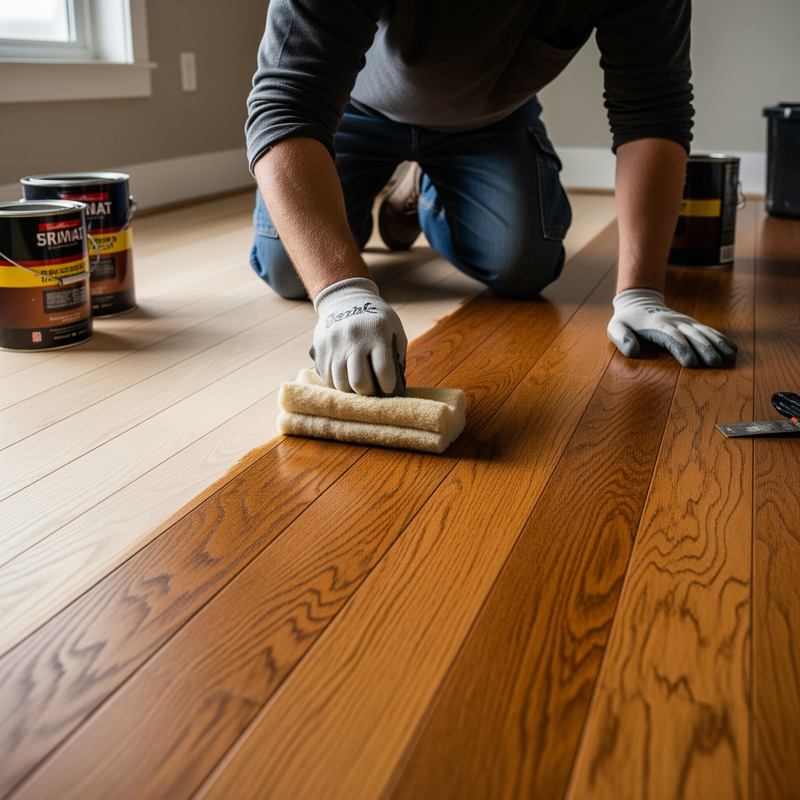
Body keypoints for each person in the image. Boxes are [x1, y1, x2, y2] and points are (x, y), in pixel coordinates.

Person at [246, 0, 737, 397]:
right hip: (351, 110)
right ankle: (401, 185)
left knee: (524, 266)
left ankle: (420, 190)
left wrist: (641, 293)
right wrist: (344, 295)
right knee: (293, 272)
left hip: (490, 121)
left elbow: (653, 113)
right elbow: (287, 100)